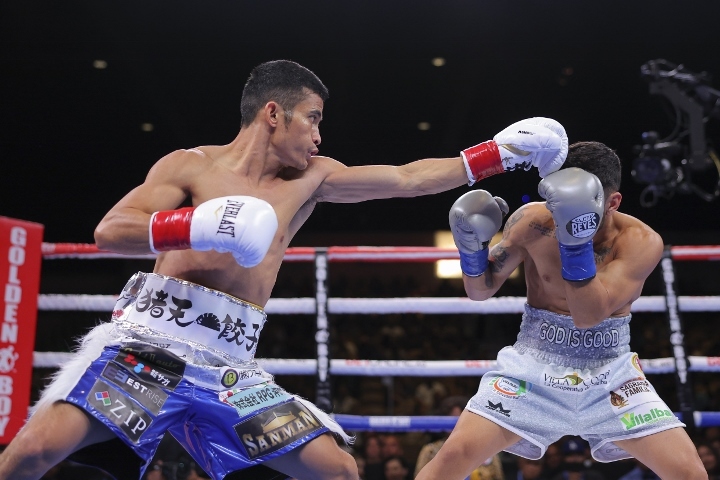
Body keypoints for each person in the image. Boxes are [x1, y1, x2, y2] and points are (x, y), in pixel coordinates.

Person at [0, 59, 568, 480]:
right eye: (313, 119)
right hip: (148, 347)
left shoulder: (312, 178)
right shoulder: (189, 166)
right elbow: (111, 231)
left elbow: (408, 178)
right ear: (274, 113)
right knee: (34, 451)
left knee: (336, 469)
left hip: (229, 368)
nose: (319, 135)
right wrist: (198, 225)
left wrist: (497, 154)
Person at [416, 141, 708, 480]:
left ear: (613, 202)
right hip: (532, 365)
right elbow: (480, 290)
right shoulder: (531, 220)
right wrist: (471, 249)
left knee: (690, 473)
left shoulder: (640, 241)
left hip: (610, 373)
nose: (559, 213)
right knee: (451, 459)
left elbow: (588, 314)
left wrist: (574, 238)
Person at [414, 396, 504, 479]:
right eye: (454, 420)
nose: (459, 424)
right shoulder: (430, 451)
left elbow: (498, 477)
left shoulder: (486, 450)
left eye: (461, 419)